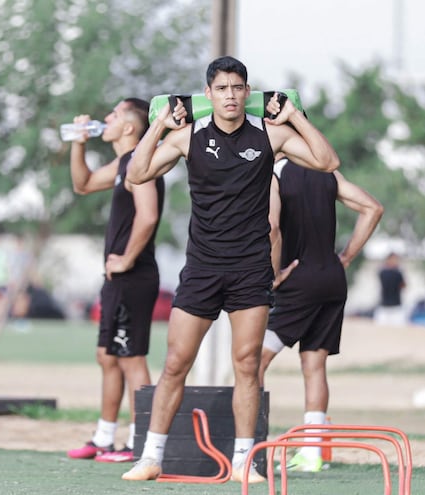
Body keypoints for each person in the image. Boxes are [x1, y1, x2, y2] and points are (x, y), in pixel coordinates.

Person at [121, 55, 340, 483]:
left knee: (245, 364)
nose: (230, 96)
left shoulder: (270, 134)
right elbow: (137, 172)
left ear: (247, 92)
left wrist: (294, 116)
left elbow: (326, 161)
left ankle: (244, 461)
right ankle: (151, 457)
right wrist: (160, 124)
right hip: (202, 267)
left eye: (238, 88)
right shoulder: (189, 137)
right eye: (221, 89)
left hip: (250, 269)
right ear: (209, 94)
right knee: (175, 364)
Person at [258, 155, 384, 472]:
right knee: (314, 364)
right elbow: (373, 208)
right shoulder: (327, 171)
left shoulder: (275, 172)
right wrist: (346, 257)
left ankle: (251, 447)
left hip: (298, 281)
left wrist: (272, 277)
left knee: (253, 361)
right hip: (331, 278)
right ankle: (312, 454)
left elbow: (272, 228)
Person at [66, 98, 165, 463]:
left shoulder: (143, 162)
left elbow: (149, 215)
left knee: (130, 358)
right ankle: (104, 438)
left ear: (129, 128)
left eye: (114, 115)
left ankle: (142, 442)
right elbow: (84, 183)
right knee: (107, 356)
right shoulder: (124, 164)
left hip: (134, 277)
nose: (105, 118)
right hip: (116, 279)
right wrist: (78, 142)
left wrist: (126, 258)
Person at [374, 252, 406, 325]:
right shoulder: (395, 272)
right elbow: (403, 285)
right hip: (384, 307)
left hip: (396, 307)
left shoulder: (383, 271)